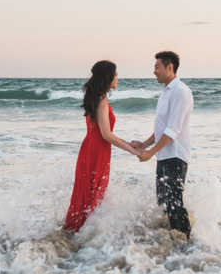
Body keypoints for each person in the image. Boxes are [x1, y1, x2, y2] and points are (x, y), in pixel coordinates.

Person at [64, 60, 141, 232]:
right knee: (94, 194)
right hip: (96, 151)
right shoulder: (101, 99)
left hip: (92, 148)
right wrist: (130, 150)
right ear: (108, 77)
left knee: (89, 192)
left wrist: (128, 143)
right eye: (116, 74)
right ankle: (86, 234)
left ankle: (81, 232)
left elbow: (102, 132)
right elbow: (106, 134)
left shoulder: (95, 96)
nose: (118, 78)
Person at [132, 51, 194, 238]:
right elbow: (162, 128)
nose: (154, 71)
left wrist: (150, 153)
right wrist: (144, 144)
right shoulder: (166, 91)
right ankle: (170, 243)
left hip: (175, 156)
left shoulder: (180, 91)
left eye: (157, 67)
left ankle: (187, 244)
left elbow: (173, 131)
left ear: (170, 67)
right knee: (163, 204)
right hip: (163, 155)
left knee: (175, 204)